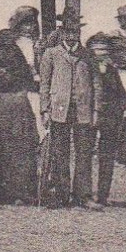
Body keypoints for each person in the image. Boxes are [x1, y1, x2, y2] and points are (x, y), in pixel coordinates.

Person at [0, 6, 43, 205]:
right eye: (25, 23)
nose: (29, 27)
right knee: (4, 144)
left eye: (32, 23)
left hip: (24, 98)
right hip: (6, 99)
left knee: (25, 144)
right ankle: (1, 191)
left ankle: (22, 190)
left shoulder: (38, 45)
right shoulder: (4, 44)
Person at [39, 14, 101, 210]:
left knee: (84, 153)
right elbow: (44, 84)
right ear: (62, 32)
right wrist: (45, 109)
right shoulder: (51, 54)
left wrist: (96, 110)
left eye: (75, 32)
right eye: (68, 32)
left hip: (83, 110)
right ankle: (61, 195)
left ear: (79, 33)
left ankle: (82, 196)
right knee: (60, 153)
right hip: (59, 110)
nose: (71, 35)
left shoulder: (88, 55)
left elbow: (97, 84)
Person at [89, 33, 126, 207]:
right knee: (86, 156)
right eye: (97, 49)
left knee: (107, 156)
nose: (101, 52)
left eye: (104, 49)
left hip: (111, 118)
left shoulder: (112, 69)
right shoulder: (85, 67)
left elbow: (121, 94)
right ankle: (85, 194)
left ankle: (103, 195)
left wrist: (120, 110)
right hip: (90, 116)